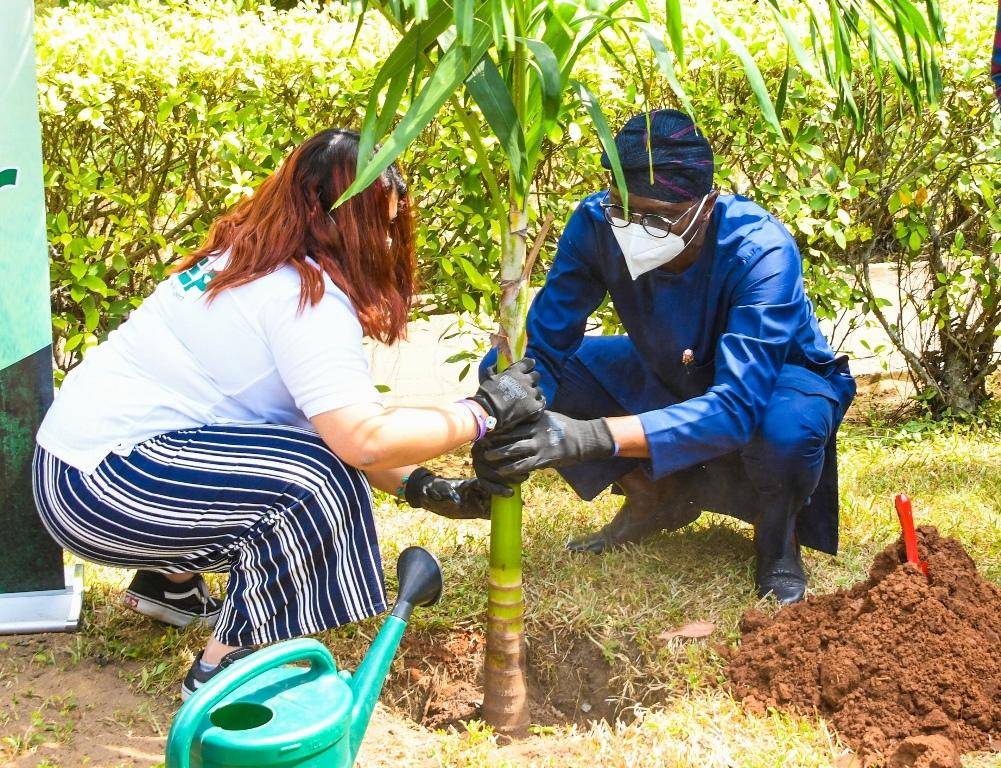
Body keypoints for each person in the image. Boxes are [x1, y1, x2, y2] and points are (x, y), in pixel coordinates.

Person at [32, 128, 544, 698]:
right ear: (358, 217)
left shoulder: (246, 257)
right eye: (393, 210)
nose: (397, 228)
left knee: (297, 456)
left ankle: (170, 585)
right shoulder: (306, 298)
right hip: (110, 489)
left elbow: (328, 425)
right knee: (314, 486)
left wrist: (426, 489)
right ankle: (223, 672)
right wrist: (480, 411)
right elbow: (360, 441)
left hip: (73, 471)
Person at [474, 110, 856, 605]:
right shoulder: (596, 224)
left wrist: (588, 437)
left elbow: (737, 406)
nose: (633, 228)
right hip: (671, 367)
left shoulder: (760, 249)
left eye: (656, 216)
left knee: (787, 432)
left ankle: (777, 538)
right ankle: (656, 495)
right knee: (506, 376)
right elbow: (545, 348)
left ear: (707, 204)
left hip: (775, 379)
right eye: (622, 209)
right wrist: (498, 415)